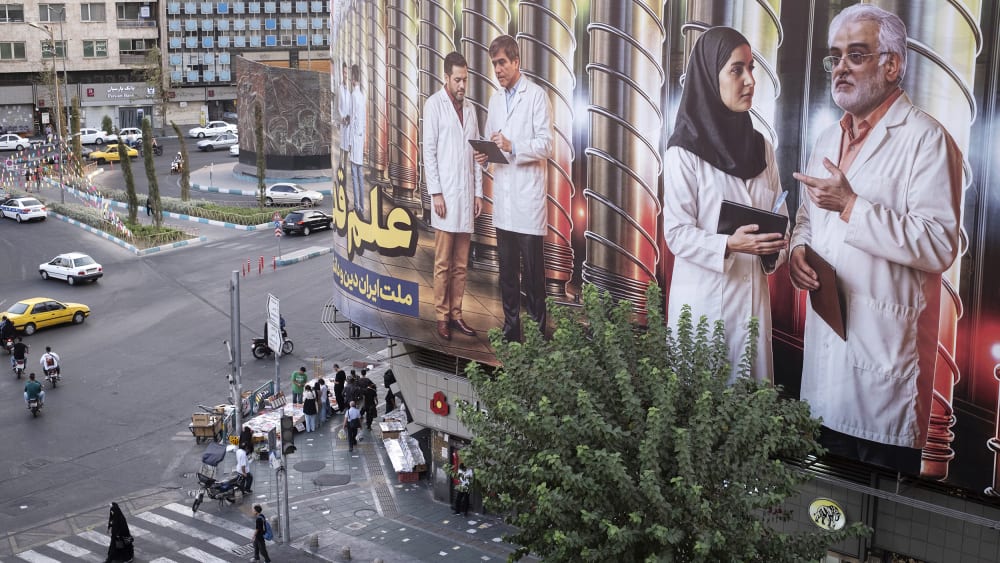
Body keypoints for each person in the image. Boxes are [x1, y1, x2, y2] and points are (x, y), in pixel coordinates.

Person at [788, 4, 962, 474]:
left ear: (892, 65)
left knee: (871, 529)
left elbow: (939, 244)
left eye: (856, 55)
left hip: (880, 377)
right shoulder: (827, 137)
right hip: (824, 370)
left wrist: (851, 206)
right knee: (820, 511)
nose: (840, 68)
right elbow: (807, 216)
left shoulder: (926, 140)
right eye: (834, 57)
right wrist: (797, 249)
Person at [661, 26, 788, 384]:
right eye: (737, 69)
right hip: (704, 307)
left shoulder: (762, 146)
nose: (749, 80)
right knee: (702, 416)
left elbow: (780, 213)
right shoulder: (684, 151)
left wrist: (773, 246)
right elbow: (676, 232)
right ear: (709, 77)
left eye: (751, 68)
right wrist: (729, 244)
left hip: (752, 305)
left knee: (748, 416)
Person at [475, 34, 553, 342]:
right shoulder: (495, 101)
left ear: (517, 62)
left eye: (502, 63)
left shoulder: (536, 96)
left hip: (527, 202)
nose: (498, 69)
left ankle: (537, 335)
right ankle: (511, 331)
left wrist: (513, 145)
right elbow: (492, 143)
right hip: (504, 202)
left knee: (533, 278)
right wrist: (484, 156)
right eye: (494, 64)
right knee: (507, 274)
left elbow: (546, 145)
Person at [423, 51, 484, 341]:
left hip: (466, 196)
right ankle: (441, 316)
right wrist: (435, 192)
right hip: (444, 197)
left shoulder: (470, 110)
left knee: (461, 264)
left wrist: (479, 193)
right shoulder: (433, 106)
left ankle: (457, 314)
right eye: (457, 80)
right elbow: (429, 152)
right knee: (443, 263)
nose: (462, 85)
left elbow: (477, 154)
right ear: (445, 77)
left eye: (465, 80)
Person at [349, 63, 367, 215]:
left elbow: (353, 118)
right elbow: (363, 120)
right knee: (360, 174)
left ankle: (357, 205)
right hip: (360, 139)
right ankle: (362, 204)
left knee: (355, 174)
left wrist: (349, 142)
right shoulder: (362, 96)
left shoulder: (354, 96)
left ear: (353, 78)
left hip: (355, 139)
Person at [339, 62, 352, 171]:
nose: (345, 75)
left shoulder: (349, 89)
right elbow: (338, 106)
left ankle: (345, 165)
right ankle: (341, 164)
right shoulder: (340, 89)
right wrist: (343, 117)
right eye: (344, 72)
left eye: (347, 73)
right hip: (343, 121)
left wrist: (349, 117)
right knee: (342, 144)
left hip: (349, 121)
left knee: (347, 144)